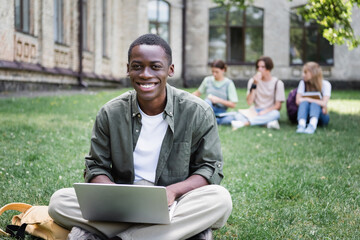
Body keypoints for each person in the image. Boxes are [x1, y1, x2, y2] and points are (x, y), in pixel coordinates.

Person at [48, 34, 232, 240]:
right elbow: (96, 166)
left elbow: (209, 167)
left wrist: (171, 192)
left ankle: (118, 236)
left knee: (220, 200)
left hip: (177, 201)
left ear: (170, 70)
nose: (145, 74)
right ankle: (179, 232)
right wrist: (115, 195)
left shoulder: (198, 111)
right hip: (123, 204)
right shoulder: (110, 113)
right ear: (128, 69)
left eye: (155, 67)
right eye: (137, 67)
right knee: (59, 202)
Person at [230, 56, 285, 130]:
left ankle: (246, 123)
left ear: (269, 69)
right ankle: (266, 123)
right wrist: (254, 84)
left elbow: (278, 106)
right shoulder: (252, 81)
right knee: (238, 115)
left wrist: (265, 111)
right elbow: (249, 102)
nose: (259, 69)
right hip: (255, 110)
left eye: (262, 67)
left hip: (269, 111)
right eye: (258, 67)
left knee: (276, 114)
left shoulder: (278, 83)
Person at [192, 60, 238, 124]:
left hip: (221, 111)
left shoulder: (228, 83)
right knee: (207, 101)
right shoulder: (207, 80)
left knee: (230, 119)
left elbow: (233, 104)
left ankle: (210, 120)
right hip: (208, 108)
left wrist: (218, 100)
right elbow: (197, 93)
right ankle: (210, 119)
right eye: (213, 71)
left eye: (216, 72)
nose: (214, 74)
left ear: (223, 70)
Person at [296, 62, 331, 134]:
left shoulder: (325, 84)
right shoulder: (302, 83)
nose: (303, 75)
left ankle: (312, 125)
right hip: (306, 114)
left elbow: (324, 102)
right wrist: (305, 100)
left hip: (321, 116)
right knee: (304, 103)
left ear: (313, 73)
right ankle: (301, 125)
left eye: (306, 73)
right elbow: (298, 101)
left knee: (314, 103)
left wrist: (307, 99)